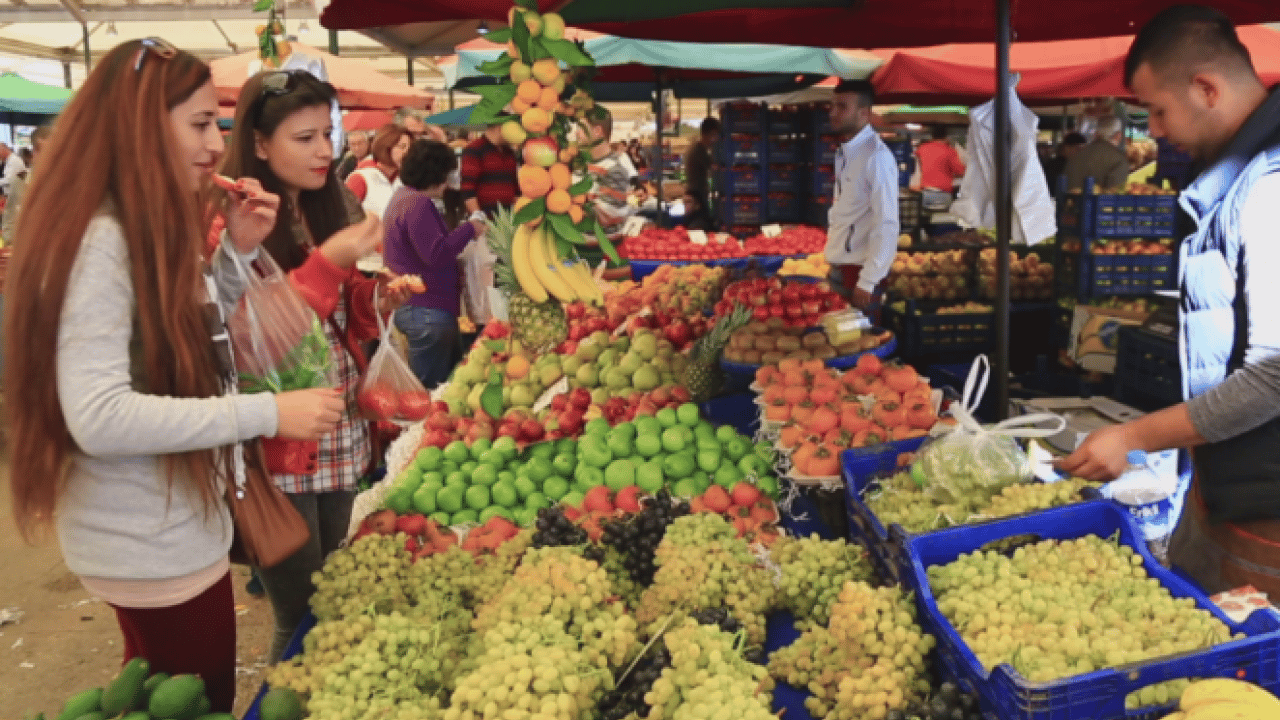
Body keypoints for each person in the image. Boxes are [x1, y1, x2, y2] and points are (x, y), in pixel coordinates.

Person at [3, 39, 345, 712]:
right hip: (148, 538)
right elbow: (99, 415)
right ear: (138, 123)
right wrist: (271, 414)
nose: (216, 145)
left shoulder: (138, 225)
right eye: (197, 124)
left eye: (215, 124)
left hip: (164, 526)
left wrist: (236, 253)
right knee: (196, 695)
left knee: (166, 688)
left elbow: (179, 334)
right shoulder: (103, 240)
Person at [1058, 5, 1280, 597]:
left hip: (1268, 504)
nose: (1153, 129)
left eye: (1157, 109)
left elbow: (1274, 375)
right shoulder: (1233, 179)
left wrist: (1133, 438)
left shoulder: (1270, 185)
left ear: (1206, 87)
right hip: (1232, 479)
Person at [215, 68, 411, 661]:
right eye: (304, 138)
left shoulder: (326, 209)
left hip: (340, 429)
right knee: (298, 615)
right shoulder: (234, 221)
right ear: (257, 142)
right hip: (279, 444)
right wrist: (329, 262)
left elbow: (331, 326)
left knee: (330, 593)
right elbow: (253, 343)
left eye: (326, 133)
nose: (325, 150)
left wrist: (374, 300)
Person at [384, 140, 486, 388]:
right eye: (447, 174)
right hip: (427, 311)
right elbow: (436, 253)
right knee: (432, 393)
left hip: (420, 310)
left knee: (439, 388)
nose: (449, 182)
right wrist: (470, 228)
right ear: (435, 174)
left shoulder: (402, 199)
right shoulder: (417, 204)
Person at [824, 79, 899, 320]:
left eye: (842, 107)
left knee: (860, 349)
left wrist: (868, 280)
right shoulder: (846, 150)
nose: (833, 112)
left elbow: (887, 222)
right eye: (832, 105)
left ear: (863, 113)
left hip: (858, 273)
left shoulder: (876, 157)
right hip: (842, 266)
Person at [584, 106, 635, 230]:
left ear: (597, 131)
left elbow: (610, 216)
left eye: (581, 128)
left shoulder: (615, 168)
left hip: (602, 245)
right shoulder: (582, 163)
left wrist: (568, 204)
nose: (577, 133)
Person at [345, 123, 409, 219]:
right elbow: (342, 219)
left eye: (410, 148)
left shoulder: (405, 178)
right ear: (385, 147)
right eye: (402, 147)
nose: (407, 152)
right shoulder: (360, 178)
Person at [459, 122, 518, 218]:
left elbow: (515, 186)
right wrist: (478, 216)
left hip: (508, 219)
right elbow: (468, 188)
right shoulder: (474, 149)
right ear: (500, 128)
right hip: (485, 219)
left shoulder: (509, 152)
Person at [1064, 115, 1131, 191]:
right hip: (1098, 202)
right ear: (1118, 135)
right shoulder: (1119, 160)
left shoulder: (1076, 155)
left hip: (1068, 201)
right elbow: (1116, 195)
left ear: (1097, 134)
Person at [684, 117, 721, 210]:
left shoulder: (698, 147)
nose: (716, 139)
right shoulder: (698, 150)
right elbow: (714, 168)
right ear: (707, 134)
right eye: (714, 135)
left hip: (695, 194)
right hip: (696, 197)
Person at [915, 125, 965, 192]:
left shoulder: (922, 148)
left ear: (932, 136)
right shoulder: (949, 150)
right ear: (946, 137)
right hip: (942, 190)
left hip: (925, 189)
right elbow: (960, 171)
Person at [1043, 131, 1087, 197]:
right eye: (1078, 149)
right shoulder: (1056, 166)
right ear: (1066, 148)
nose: (1081, 153)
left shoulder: (1053, 163)